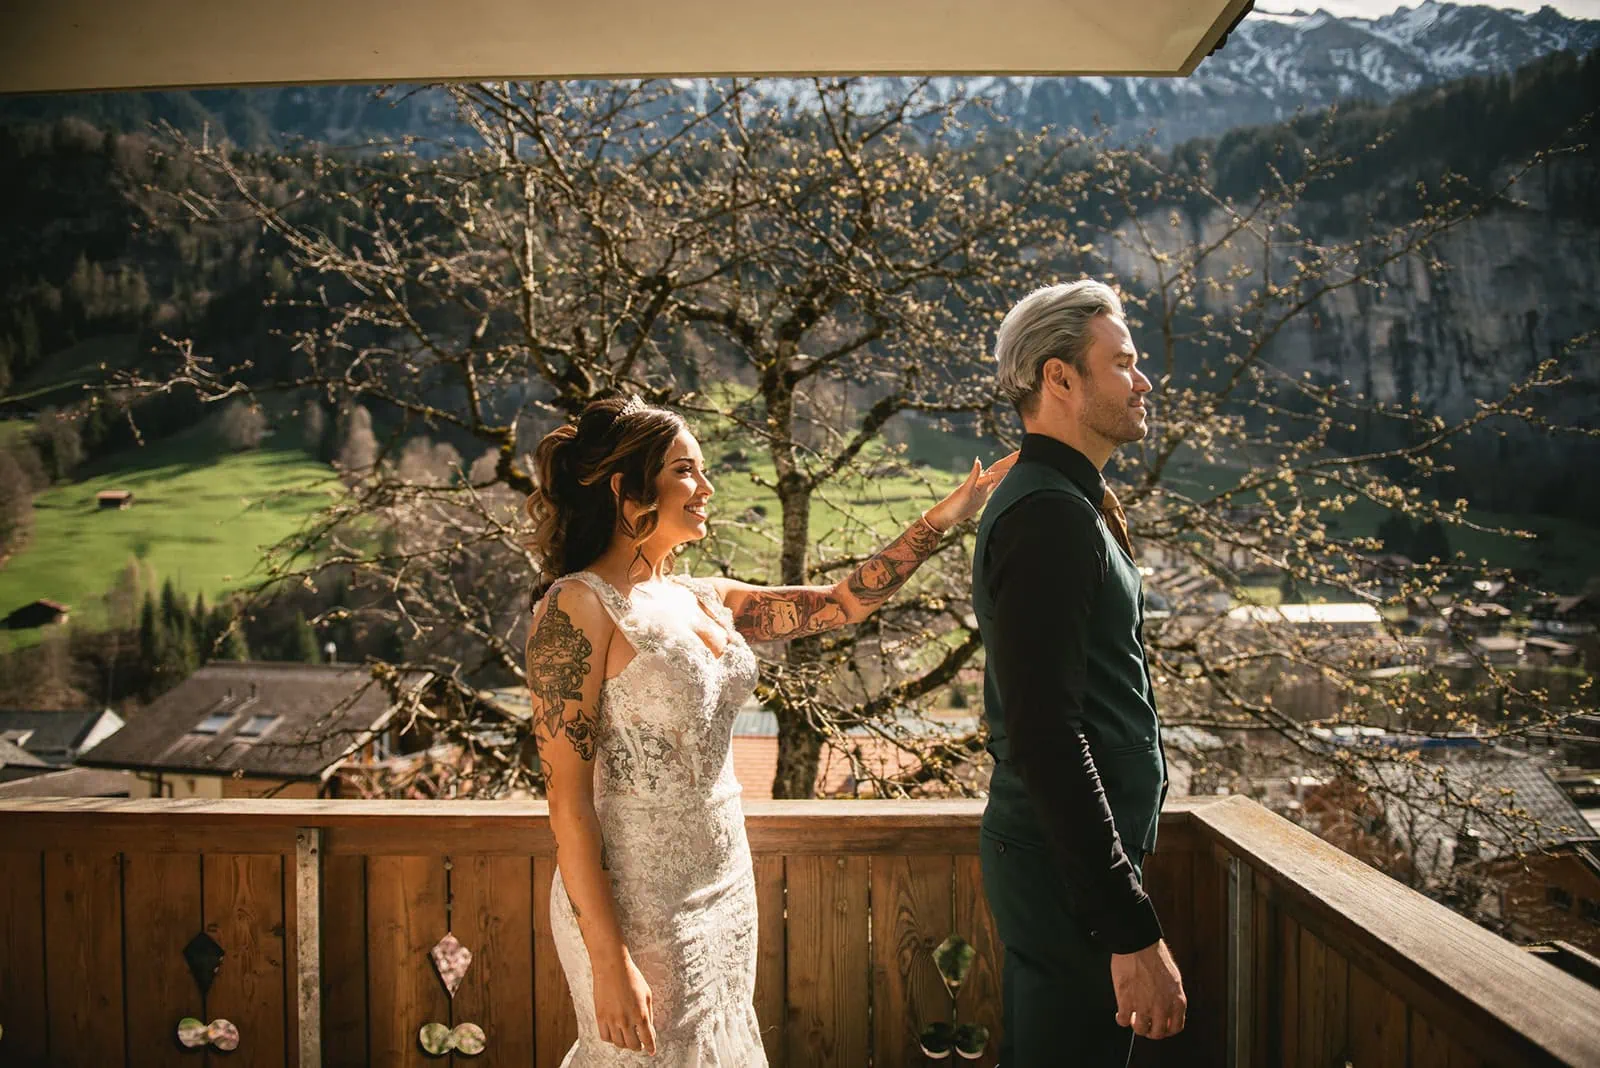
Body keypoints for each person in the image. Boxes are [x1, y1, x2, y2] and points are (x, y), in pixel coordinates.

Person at [523, 395, 1016, 1066]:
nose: (706, 487)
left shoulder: (707, 597)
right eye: (684, 470)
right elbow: (568, 804)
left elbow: (844, 605)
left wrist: (946, 516)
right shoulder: (575, 607)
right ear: (625, 487)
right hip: (636, 898)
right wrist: (609, 961)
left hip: (725, 878)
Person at [972, 281, 1186, 1066]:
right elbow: (1046, 735)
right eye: (1123, 363)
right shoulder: (1050, 516)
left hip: (1073, 867)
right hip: (1071, 879)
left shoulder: (1066, 499)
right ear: (1060, 378)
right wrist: (1128, 927)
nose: (1144, 381)